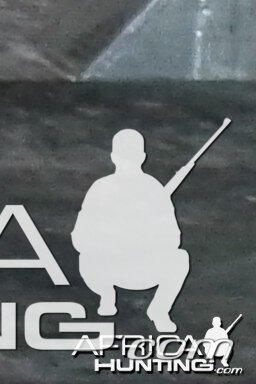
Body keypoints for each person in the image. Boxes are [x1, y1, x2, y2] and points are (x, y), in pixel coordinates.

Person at [73, 126, 196, 331]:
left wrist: (145, 233)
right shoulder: (101, 189)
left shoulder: (154, 189)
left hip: (144, 266)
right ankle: (106, 295)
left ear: (142, 157)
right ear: (114, 157)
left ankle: (159, 310)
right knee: (86, 258)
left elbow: (174, 239)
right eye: (125, 156)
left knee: (180, 258)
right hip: (108, 266)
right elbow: (79, 238)